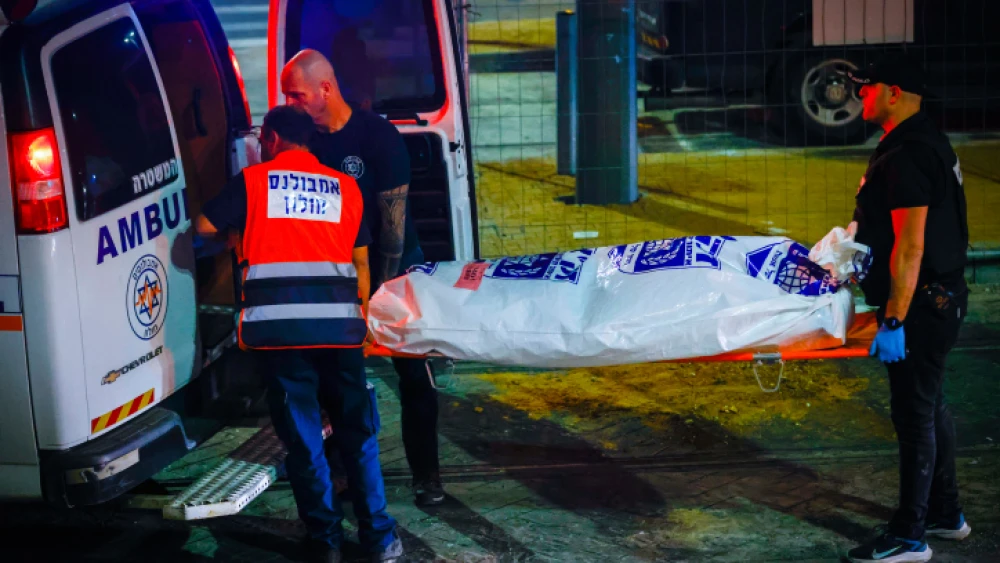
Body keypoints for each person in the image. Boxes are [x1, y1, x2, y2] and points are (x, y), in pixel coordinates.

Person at [193, 105, 403, 563]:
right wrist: (360, 323)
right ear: (311, 140)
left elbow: (203, 227)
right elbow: (362, 262)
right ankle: (380, 540)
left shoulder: (253, 182)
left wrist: (236, 236)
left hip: (280, 332)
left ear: (269, 139)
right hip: (339, 331)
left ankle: (325, 542)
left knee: (305, 441)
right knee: (358, 434)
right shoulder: (345, 188)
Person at [280, 48, 446, 507]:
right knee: (336, 381)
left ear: (325, 90)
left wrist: (380, 293)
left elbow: (393, 225)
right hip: (336, 273)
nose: (290, 104)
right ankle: (346, 476)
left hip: (392, 269)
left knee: (412, 372)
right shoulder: (304, 143)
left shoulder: (376, 136)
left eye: (295, 95)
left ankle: (427, 476)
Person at [845, 53, 970, 563]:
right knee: (930, 405)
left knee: (914, 415)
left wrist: (894, 319)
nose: (858, 95)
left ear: (893, 92)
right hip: (937, 299)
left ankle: (910, 536)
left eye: (865, 87)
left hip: (922, 306)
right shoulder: (920, 139)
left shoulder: (909, 153)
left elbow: (911, 247)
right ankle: (946, 515)